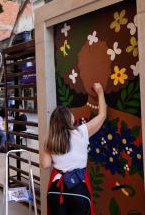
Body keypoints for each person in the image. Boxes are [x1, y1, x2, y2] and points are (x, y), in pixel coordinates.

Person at [40, 83, 106, 215]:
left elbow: (45, 165)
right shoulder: (81, 132)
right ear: (69, 118)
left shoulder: (50, 140)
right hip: (78, 190)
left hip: (56, 192)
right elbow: (102, 116)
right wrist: (100, 93)